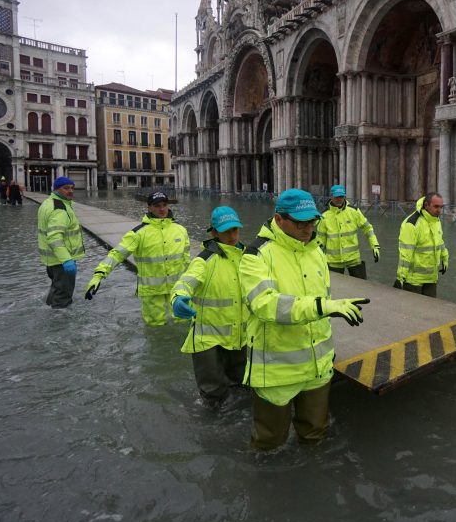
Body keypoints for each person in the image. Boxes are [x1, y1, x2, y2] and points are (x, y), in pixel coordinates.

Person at [239, 188, 369, 450]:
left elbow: (322, 299)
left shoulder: (316, 251)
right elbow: (266, 304)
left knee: (315, 436)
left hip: (317, 367)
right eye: (300, 222)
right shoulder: (256, 255)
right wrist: (323, 307)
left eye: (312, 221)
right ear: (279, 219)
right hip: (276, 371)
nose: (308, 228)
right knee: (269, 442)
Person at [170, 207, 248, 407]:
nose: (232, 236)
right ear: (214, 233)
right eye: (226, 231)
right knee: (213, 395)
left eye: (235, 230)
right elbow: (186, 281)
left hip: (239, 337)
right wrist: (178, 297)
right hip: (208, 342)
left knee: (242, 387)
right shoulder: (204, 260)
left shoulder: (248, 258)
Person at [84, 190, 190, 327]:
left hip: (177, 290)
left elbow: (187, 260)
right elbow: (117, 254)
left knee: (183, 324)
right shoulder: (138, 234)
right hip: (151, 293)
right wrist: (99, 275)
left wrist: (190, 285)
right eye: (157, 206)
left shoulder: (180, 230)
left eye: (164, 205)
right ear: (149, 208)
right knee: (155, 328)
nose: (162, 209)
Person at [37, 176, 85, 308]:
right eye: (66, 188)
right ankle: (61, 324)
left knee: (56, 289)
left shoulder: (48, 203)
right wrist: (66, 260)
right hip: (62, 262)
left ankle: (49, 310)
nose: (70, 191)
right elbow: (54, 238)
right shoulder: (59, 209)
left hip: (51, 260)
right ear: (56, 189)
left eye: (72, 188)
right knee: (63, 296)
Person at [317, 184, 380, 279]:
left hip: (353, 259)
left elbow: (368, 228)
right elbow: (320, 241)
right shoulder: (324, 216)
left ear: (344, 196)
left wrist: (375, 246)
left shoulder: (354, 211)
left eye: (341, 196)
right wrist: (316, 258)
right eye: (336, 196)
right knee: (334, 292)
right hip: (333, 261)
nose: (339, 199)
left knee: (361, 289)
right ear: (331, 196)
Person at [393, 192, 448, 298]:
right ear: (426, 205)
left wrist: (445, 258)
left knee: (430, 311)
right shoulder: (412, 223)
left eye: (441, 207)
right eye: (436, 206)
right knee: (412, 312)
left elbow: (440, 242)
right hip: (413, 281)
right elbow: (405, 253)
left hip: (431, 279)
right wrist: (400, 278)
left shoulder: (436, 221)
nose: (439, 210)